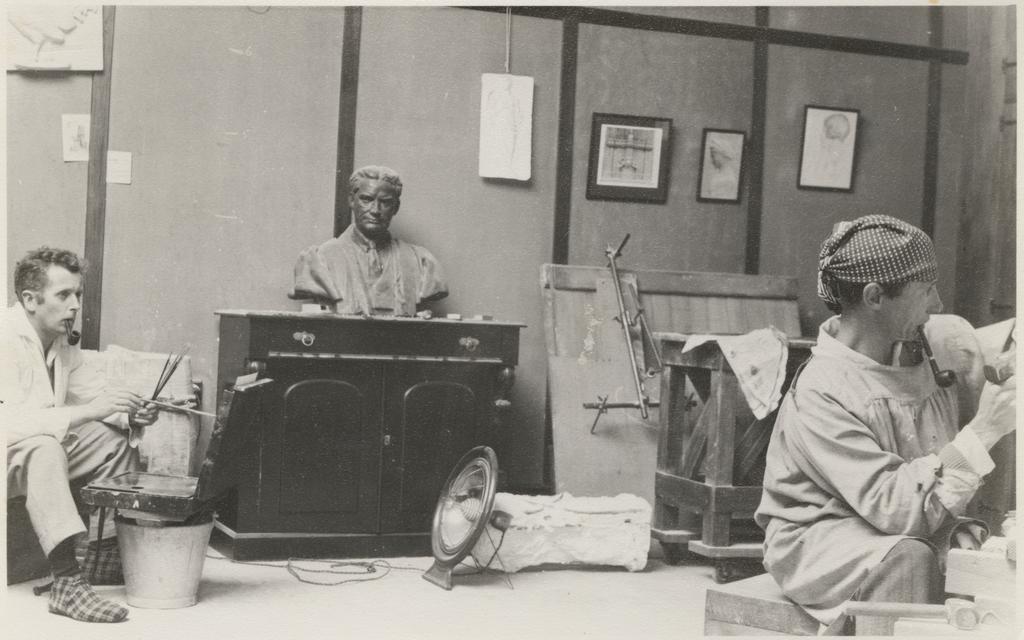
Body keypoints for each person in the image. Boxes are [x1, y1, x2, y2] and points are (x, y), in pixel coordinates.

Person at [755, 215, 1016, 635]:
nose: (938, 304)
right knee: (910, 559)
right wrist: (985, 430)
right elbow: (897, 510)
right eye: (926, 290)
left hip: (901, 523)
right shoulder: (823, 390)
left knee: (990, 556)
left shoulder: (929, 341)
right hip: (820, 537)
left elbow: (988, 346)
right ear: (875, 296)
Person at [2, 247, 159, 623]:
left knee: (111, 442)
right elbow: (9, 426)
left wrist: (132, 412)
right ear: (29, 299)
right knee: (44, 446)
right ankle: (67, 583)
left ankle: (101, 556)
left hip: (30, 458)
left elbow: (94, 395)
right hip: (15, 452)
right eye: (63, 295)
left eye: (77, 295)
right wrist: (90, 411)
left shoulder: (61, 342)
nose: (74, 305)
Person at [291, 165, 448, 316]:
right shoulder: (319, 260)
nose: (375, 210)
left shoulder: (420, 262)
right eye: (367, 199)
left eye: (385, 202)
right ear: (352, 201)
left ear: (396, 207)